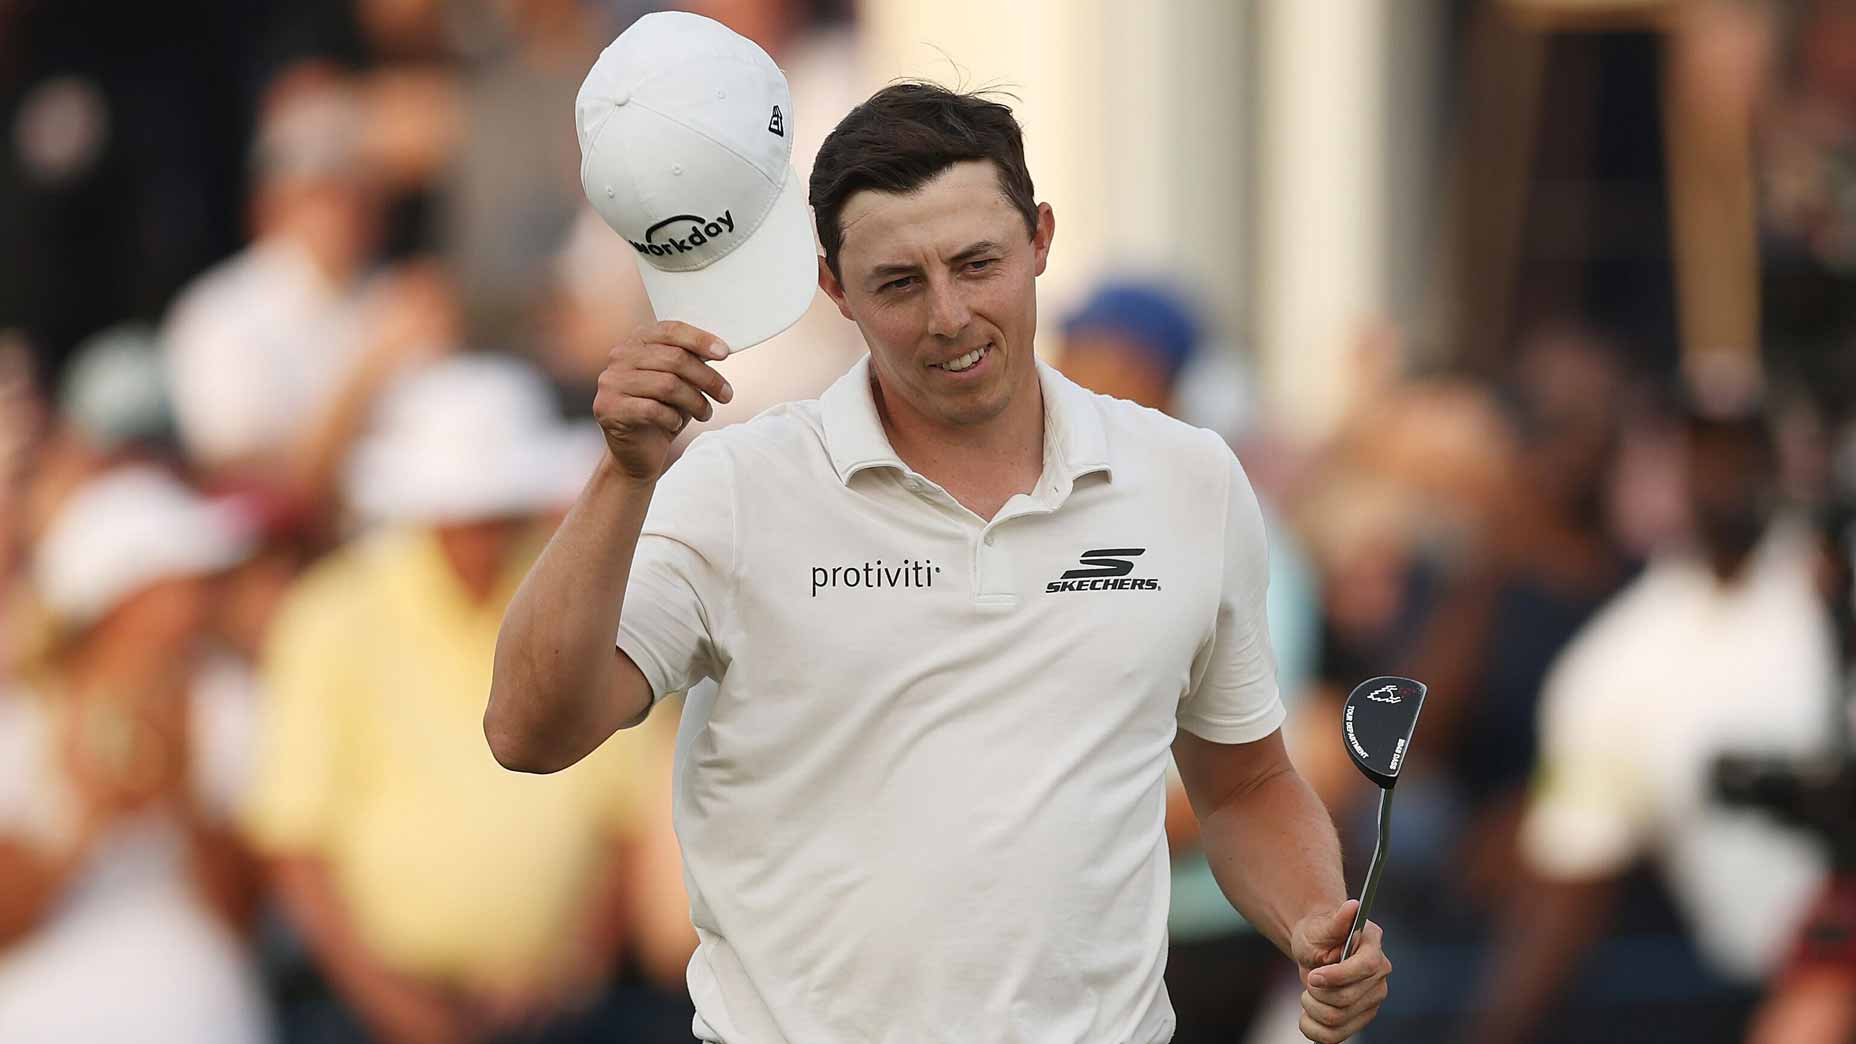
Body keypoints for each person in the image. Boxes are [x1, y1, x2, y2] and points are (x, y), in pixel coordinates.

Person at [488, 19, 1392, 1041]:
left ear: (1040, 238)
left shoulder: (1186, 480)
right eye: (899, 284)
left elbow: (1245, 785)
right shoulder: (730, 488)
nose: (950, 316)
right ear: (833, 286)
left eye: (977, 263)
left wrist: (1312, 917)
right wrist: (620, 476)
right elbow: (530, 731)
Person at [241, 355, 687, 1044]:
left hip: (557, 1009)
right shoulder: (331, 614)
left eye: (497, 511)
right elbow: (296, 847)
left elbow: (623, 823)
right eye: (462, 513)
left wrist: (571, 971)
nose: (482, 533)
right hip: (369, 1010)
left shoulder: (585, 600)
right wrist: (395, 1007)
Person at [1459, 378, 1838, 1044]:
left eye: (1746, 451)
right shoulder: (1624, 659)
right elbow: (1573, 868)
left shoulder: (1830, 596)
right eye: (1707, 454)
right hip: (1785, 975)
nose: (1728, 476)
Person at [0, 467, 272, 1043]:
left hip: (197, 1014)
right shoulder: (23, 723)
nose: (197, 601)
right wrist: (85, 820)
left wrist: (182, 800)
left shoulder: (230, 706)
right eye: (174, 584)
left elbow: (244, 917)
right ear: (118, 599)